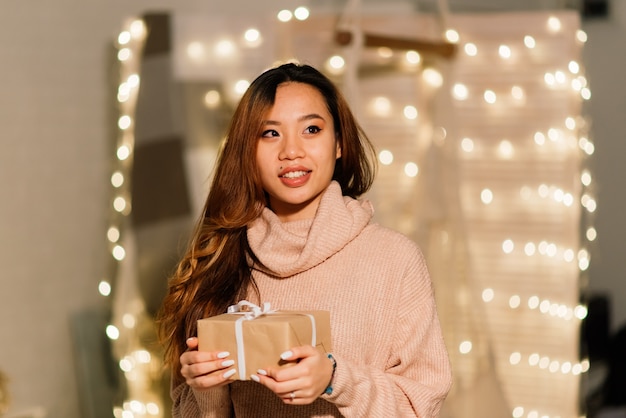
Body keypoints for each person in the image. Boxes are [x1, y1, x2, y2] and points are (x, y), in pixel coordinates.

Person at [156, 62, 452, 417]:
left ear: (339, 143)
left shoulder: (394, 260)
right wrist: (208, 392)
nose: (291, 151)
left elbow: (419, 408)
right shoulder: (218, 259)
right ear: (246, 151)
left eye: (311, 129)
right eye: (270, 133)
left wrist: (334, 379)